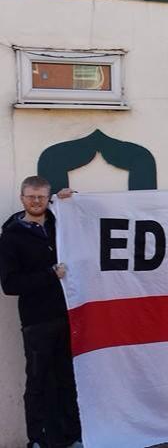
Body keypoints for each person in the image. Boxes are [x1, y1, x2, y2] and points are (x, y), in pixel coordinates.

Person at [0, 176, 82, 448]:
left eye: (42, 197)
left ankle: (72, 438)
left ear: (48, 198)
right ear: (22, 197)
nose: (36, 202)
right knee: (37, 381)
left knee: (69, 380)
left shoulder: (61, 222)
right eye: (31, 196)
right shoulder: (11, 235)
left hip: (69, 316)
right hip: (36, 321)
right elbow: (10, 285)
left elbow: (87, 219)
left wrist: (71, 199)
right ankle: (37, 439)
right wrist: (50, 275)